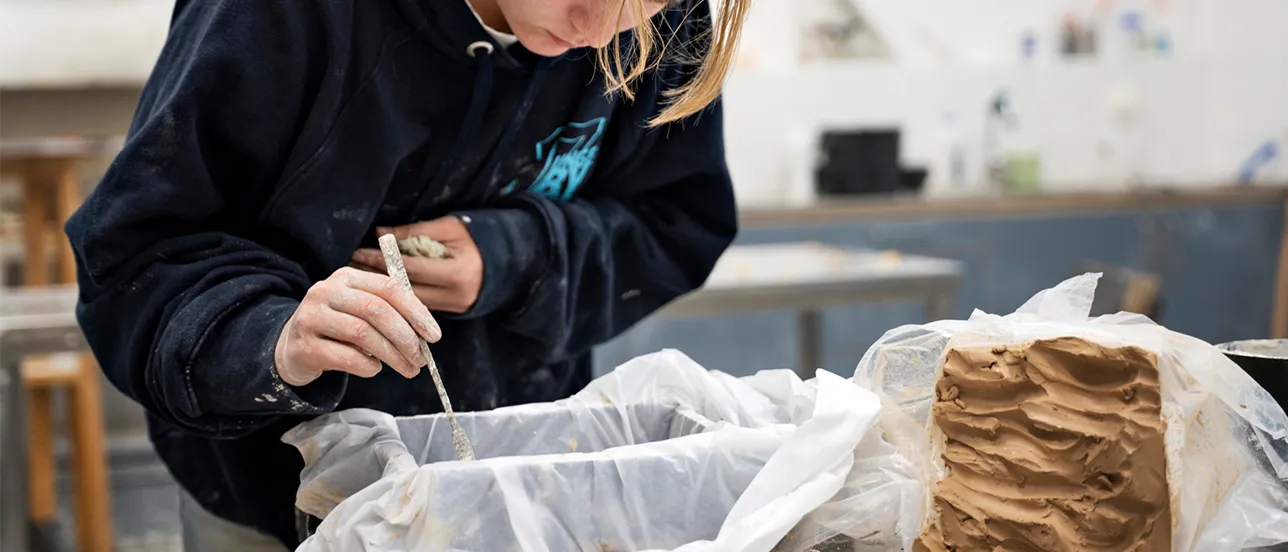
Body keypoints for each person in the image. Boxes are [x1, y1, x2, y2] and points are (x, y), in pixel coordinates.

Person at [64, 0, 749, 549]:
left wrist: (519, 255)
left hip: (528, 491)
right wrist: (275, 339)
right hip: (272, 499)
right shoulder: (280, 16)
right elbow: (140, 258)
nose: (599, 30)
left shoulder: (652, 18)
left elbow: (675, 224)